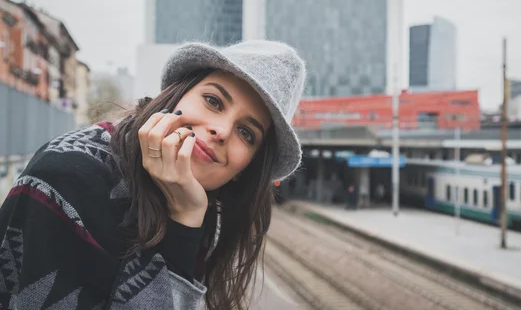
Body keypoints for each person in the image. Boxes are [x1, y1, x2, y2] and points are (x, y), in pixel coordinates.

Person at [0, 40, 306, 310]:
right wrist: (184, 223)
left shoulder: (200, 203)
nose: (222, 130)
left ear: (246, 169)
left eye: (246, 132)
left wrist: (187, 217)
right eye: (213, 101)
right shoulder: (68, 178)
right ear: (175, 97)